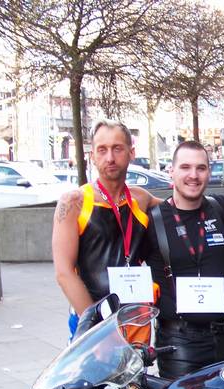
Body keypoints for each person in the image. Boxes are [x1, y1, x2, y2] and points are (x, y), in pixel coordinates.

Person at [142, 141, 224, 379]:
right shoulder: (151, 220)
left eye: (201, 168)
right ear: (171, 171)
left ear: (209, 172)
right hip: (179, 343)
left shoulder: (222, 208)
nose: (193, 175)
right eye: (185, 167)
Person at [52, 118, 154, 338]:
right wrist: (98, 329)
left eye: (117, 148)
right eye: (102, 150)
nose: (110, 158)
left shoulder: (140, 199)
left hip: (136, 320)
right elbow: (64, 273)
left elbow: (181, 208)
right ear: (92, 156)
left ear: (131, 153)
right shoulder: (74, 202)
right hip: (93, 324)